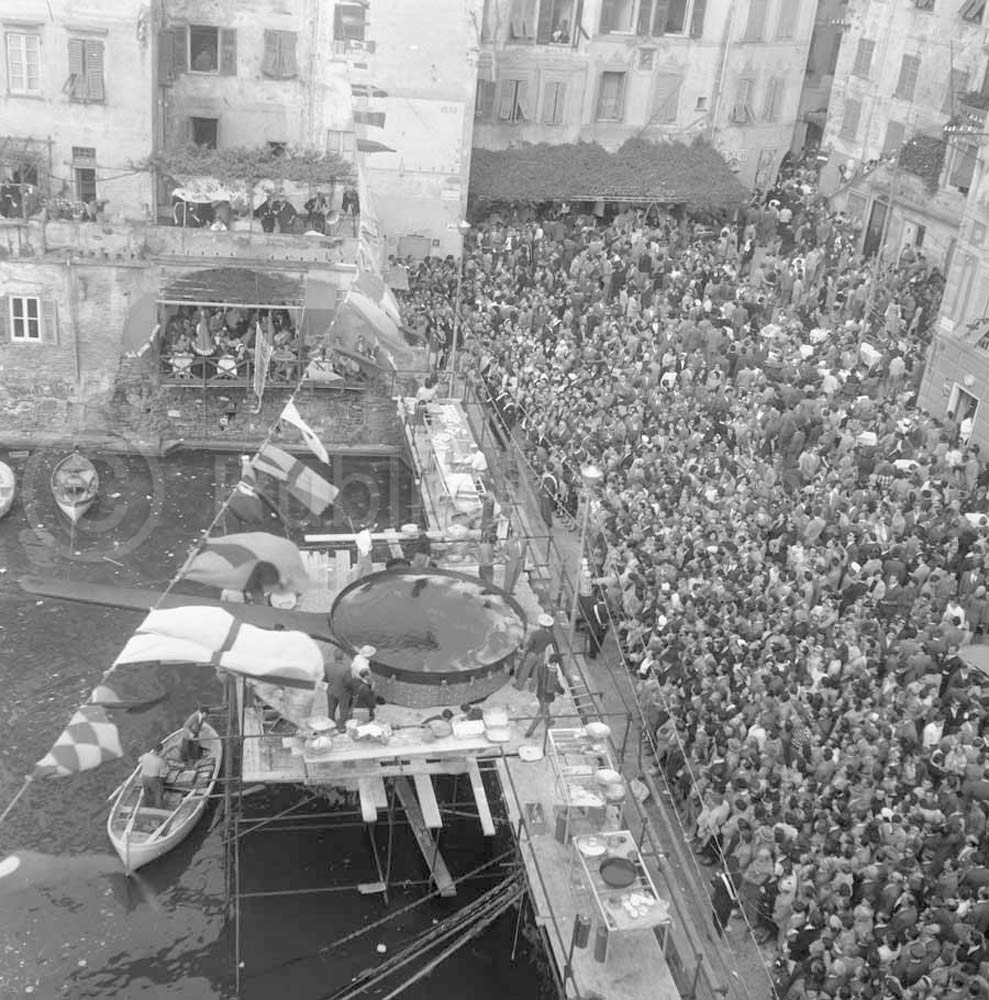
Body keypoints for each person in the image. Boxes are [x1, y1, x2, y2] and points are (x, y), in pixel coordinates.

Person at [525, 651, 565, 739]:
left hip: (540, 693)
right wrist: (561, 691)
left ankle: (548, 721)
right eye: (556, 663)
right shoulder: (552, 672)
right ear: (554, 663)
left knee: (545, 708)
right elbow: (554, 684)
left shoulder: (542, 667)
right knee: (540, 714)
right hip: (546, 696)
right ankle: (529, 732)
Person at [515, 612, 557, 690]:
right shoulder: (550, 635)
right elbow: (550, 643)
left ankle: (519, 686)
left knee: (525, 670)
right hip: (542, 654)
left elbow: (529, 645)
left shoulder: (535, 633)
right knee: (537, 672)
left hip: (532, 653)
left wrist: (523, 652)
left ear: (540, 624)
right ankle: (532, 688)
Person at [138, 743, 168, 809]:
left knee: (147, 793)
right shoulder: (160, 761)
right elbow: (165, 772)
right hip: (153, 779)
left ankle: (146, 806)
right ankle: (158, 808)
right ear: (160, 751)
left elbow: (139, 760)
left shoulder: (146, 755)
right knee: (158, 793)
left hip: (144, 778)